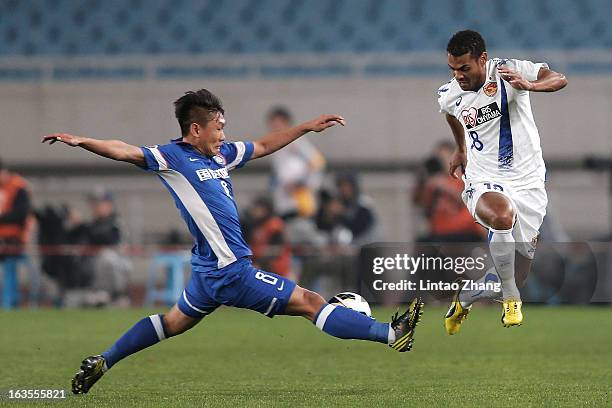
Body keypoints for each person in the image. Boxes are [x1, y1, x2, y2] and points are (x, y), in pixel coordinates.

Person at [42, 89, 424, 394]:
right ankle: (391, 334)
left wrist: (305, 127)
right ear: (196, 129)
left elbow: (263, 145)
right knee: (311, 303)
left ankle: (104, 361)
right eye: (218, 127)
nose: (224, 134)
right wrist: (82, 141)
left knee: (172, 322)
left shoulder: (222, 154)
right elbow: (124, 149)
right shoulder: (171, 157)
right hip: (230, 271)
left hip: (208, 271)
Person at [437, 30, 567, 333]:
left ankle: (467, 296)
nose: (458, 76)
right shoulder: (449, 93)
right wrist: (460, 148)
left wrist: (530, 86)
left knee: (512, 275)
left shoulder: (510, 70)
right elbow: (451, 115)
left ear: (482, 59)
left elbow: (559, 78)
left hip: (528, 182)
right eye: (453, 69)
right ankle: (512, 300)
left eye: (464, 68)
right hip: (484, 179)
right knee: (500, 215)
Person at [412, 141, 485, 242]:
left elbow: (470, 201)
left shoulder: (466, 177)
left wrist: (445, 186)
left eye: (444, 158)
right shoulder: (434, 182)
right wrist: (421, 181)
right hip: (440, 233)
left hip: (465, 232)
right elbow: (418, 201)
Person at [267, 106, 325, 219]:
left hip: (300, 202)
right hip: (283, 201)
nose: (274, 127)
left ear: (286, 123)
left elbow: (317, 162)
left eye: (277, 123)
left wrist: (299, 183)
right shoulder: (274, 145)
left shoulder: (296, 142)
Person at [0, 158, 32, 260]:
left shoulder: (18, 187)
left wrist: (2, 217)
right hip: (3, 238)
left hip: (14, 238)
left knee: (11, 268)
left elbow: (21, 214)